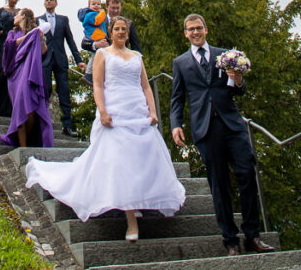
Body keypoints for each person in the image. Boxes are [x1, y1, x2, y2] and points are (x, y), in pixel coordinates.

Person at [26, 17, 185, 240]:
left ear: (128, 34)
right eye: (117, 29)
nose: (121, 32)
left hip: (137, 111)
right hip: (116, 110)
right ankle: (130, 220)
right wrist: (102, 111)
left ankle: (138, 199)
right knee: (122, 162)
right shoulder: (103, 54)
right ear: (110, 32)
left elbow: (146, 86)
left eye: (124, 30)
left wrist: (153, 111)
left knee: (140, 158)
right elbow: (98, 85)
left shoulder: (136, 57)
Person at [170, 13, 275, 256]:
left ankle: (252, 235)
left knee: (247, 173)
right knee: (218, 185)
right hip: (205, 129)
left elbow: (240, 90)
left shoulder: (225, 54)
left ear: (206, 30)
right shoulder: (181, 63)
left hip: (232, 124)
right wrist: (176, 124)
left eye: (199, 28)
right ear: (185, 33)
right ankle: (230, 240)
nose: (195, 32)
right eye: (190, 29)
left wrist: (238, 80)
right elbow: (178, 97)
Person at [1, 9, 54, 148]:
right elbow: (9, 46)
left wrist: (40, 37)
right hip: (15, 74)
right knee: (19, 109)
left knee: (30, 110)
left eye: (17, 15)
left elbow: (43, 51)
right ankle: (23, 147)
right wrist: (30, 36)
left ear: (23, 16)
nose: (14, 17)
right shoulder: (12, 33)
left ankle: (29, 139)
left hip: (30, 72)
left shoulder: (37, 32)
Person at [38, 0, 86, 137]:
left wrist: (78, 60)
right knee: (44, 90)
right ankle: (43, 124)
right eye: (46, 0)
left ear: (56, 3)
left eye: (51, 0)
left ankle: (67, 126)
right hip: (44, 59)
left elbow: (70, 40)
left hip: (60, 60)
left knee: (64, 92)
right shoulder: (37, 20)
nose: (49, 2)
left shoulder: (63, 20)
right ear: (44, 3)